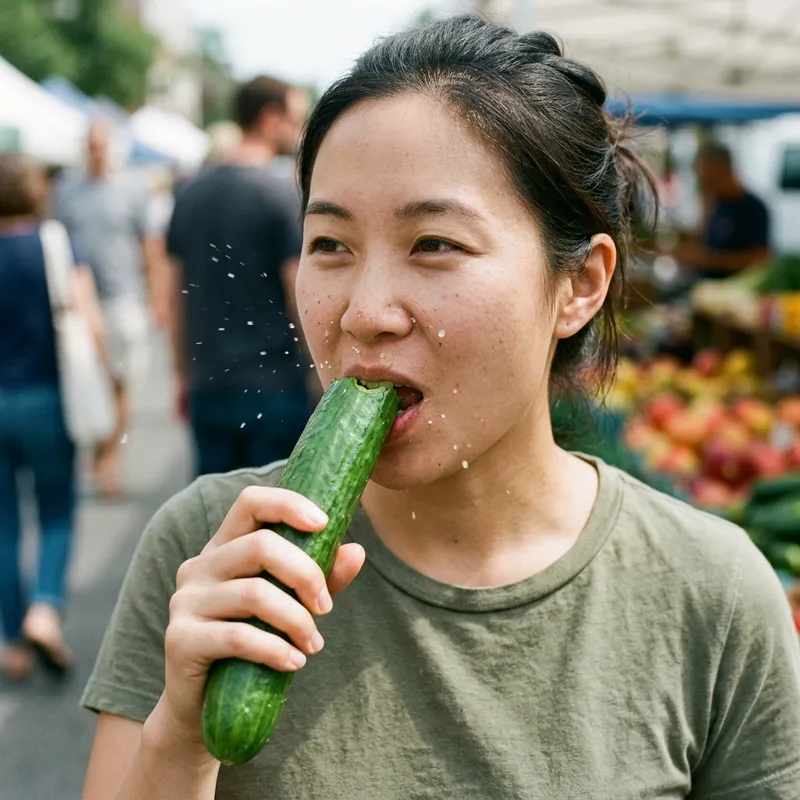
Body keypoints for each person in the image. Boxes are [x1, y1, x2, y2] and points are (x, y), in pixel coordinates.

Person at [81, 17, 800, 799]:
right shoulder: (206, 555)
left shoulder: (714, 596)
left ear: (580, 285)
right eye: (329, 244)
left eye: (433, 243)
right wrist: (180, 740)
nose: (363, 312)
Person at [164, 75, 312, 477]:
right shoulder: (282, 196)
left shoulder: (190, 193)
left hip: (208, 381)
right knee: (277, 519)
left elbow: (174, 295)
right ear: (269, 118)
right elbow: (297, 292)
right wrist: (318, 370)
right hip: (275, 385)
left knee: (215, 519)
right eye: (296, 119)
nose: (301, 131)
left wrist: (180, 373)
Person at [0, 155, 104, 679]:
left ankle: (14, 642)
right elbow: (89, 319)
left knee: (3, 524)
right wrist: (108, 375)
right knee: (57, 509)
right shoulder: (54, 244)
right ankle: (44, 608)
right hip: (46, 397)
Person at [55, 119, 155, 497]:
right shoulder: (67, 190)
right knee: (91, 379)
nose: (94, 149)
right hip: (78, 303)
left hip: (123, 299)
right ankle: (100, 454)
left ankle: (109, 459)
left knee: (123, 383)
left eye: (100, 143)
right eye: (90, 143)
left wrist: (155, 296)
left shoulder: (131, 188)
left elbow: (149, 244)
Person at [672, 140, 771, 279]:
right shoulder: (715, 202)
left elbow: (760, 260)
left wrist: (708, 260)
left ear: (723, 169)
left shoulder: (753, 208)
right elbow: (705, 241)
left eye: (706, 175)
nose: (702, 182)